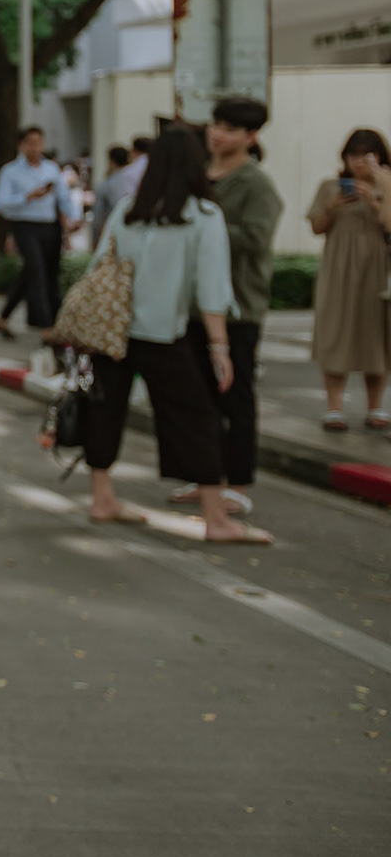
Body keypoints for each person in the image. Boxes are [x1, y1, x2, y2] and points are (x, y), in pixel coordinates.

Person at [79, 128, 262, 540]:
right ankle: (217, 519)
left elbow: (97, 268)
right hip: (161, 334)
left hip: (112, 332)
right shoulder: (203, 215)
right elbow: (211, 290)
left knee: (105, 411)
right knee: (199, 419)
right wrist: (219, 348)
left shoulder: (129, 210)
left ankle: (102, 499)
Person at [171, 100, 282, 514]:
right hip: (192, 307)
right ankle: (205, 477)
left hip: (238, 308)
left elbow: (256, 238)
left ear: (251, 137)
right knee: (198, 398)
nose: (218, 134)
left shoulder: (256, 184)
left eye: (230, 129)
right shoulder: (198, 173)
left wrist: (205, 228)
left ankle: (237, 482)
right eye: (216, 124)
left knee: (235, 396)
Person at [307, 127, 391, 431]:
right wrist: (331, 208)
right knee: (335, 330)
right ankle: (334, 406)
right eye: (353, 155)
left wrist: (377, 200)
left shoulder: (387, 187)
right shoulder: (330, 187)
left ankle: (375, 406)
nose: (359, 161)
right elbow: (316, 226)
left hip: (377, 269)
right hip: (338, 268)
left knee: (376, 335)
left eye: (367, 155)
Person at [0, 126, 78, 339]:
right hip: (24, 226)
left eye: (38, 143)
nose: (35, 147)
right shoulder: (10, 171)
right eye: (30, 143)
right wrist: (27, 197)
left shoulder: (51, 169)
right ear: (21, 145)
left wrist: (73, 219)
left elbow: (63, 197)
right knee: (36, 270)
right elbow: (0, 204)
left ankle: (4, 317)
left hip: (49, 226)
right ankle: (46, 326)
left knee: (44, 272)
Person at [90, 145, 134, 238]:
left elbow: (98, 216)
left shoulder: (107, 184)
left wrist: (96, 238)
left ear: (111, 161)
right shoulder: (135, 179)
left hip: (113, 231)